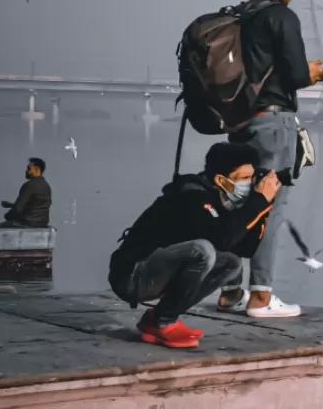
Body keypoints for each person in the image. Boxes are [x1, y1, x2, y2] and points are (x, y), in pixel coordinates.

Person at [221, 0, 323, 321]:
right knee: (269, 204)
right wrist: (312, 72)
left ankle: (230, 290)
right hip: (272, 122)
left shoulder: (242, 14)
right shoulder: (281, 16)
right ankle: (261, 296)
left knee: (236, 202)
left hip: (239, 123)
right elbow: (296, 73)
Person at [108, 143, 281, 349]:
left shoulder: (221, 199)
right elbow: (224, 239)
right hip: (132, 275)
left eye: (251, 178)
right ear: (220, 180)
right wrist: (258, 201)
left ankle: (159, 318)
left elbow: (244, 249)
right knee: (203, 251)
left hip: (156, 273)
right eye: (243, 178)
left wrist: (263, 207)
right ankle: (163, 322)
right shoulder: (192, 196)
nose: (249, 184)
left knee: (231, 263)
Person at [0, 157, 52, 227]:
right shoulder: (46, 186)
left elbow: (17, 209)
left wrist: (7, 216)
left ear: (37, 169)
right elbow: (35, 205)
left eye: (29, 168)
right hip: (42, 223)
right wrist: (11, 205)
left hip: (27, 223)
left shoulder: (29, 185)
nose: (26, 171)